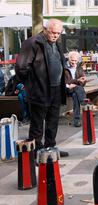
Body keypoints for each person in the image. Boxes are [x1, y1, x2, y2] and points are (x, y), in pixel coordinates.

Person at [15, 19, 69, 157]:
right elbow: (21, 68)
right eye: (53, 32)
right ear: (45, 29)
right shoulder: (32, 43)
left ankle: (50, 148)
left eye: (58, 33)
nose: (56, 35)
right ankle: (36, 151)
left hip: (56, 89)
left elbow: (61, 64)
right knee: (37, 123)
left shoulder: (57, 44)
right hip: (40, 90)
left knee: (53, 121)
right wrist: (32, 85)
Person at [64, 51, 87, 127]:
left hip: (76, 90)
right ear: (69, 59)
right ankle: (85, 104)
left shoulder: (79, 68)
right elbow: (65, 81)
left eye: (75, 61)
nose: (74, 62)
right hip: (66, 88)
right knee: (77, 90)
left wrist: (83, 81)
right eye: (72, 60)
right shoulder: (64, 68)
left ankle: (76, 121)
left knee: (75, 95)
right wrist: (77, 80)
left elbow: (83, 83)